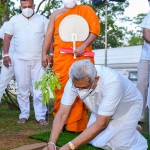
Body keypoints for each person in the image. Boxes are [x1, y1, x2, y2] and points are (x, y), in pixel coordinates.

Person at [43, 59, 148, 150]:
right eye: (77, 87)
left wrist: (68, 147)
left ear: (96, 79)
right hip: (101, 107)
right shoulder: (74, 81)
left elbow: (101, 124)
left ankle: (134, 129)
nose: (80, 90)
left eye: (84, 87)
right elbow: (62, 114)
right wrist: (51, 143)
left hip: (127, 107)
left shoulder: (112, 82)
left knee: (120, 146)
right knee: (96, 141)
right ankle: (131, 129)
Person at [42, 0, 100, 132]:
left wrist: (83, 46)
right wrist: (43, 54)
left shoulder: (86, 10)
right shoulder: (55, 14)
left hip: (83, 56)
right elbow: (49, 35)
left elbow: (95, 31)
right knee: (61, 88)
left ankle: (77, 125)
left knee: (83, 87)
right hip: (61, 58)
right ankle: (61, 122)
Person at [3, 0, 49, 125]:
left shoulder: (43, 20)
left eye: (30, 6)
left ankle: (41, 116)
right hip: (20, 60)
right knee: (23, 88)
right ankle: (24, 114)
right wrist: (6, 55)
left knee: (39, 89)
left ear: (34, 6)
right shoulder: (14, 20)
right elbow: (7, 38)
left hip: (39, 60)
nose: (27, 9)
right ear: (20, 7)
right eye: (24, 7)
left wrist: (50, 55)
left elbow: (50, 37)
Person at [137, 11, 150, 123]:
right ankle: (139, 116)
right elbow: (146, 34)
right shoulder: (149, 15)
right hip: (146, 58)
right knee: (141, 86)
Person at [0, 21, 15, 103]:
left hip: (25, 59)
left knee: (30, 85)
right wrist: (5, 55)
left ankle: (41, 110)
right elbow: (3, 38)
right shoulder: (8, 23)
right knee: (2, 83)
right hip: (9, 58)